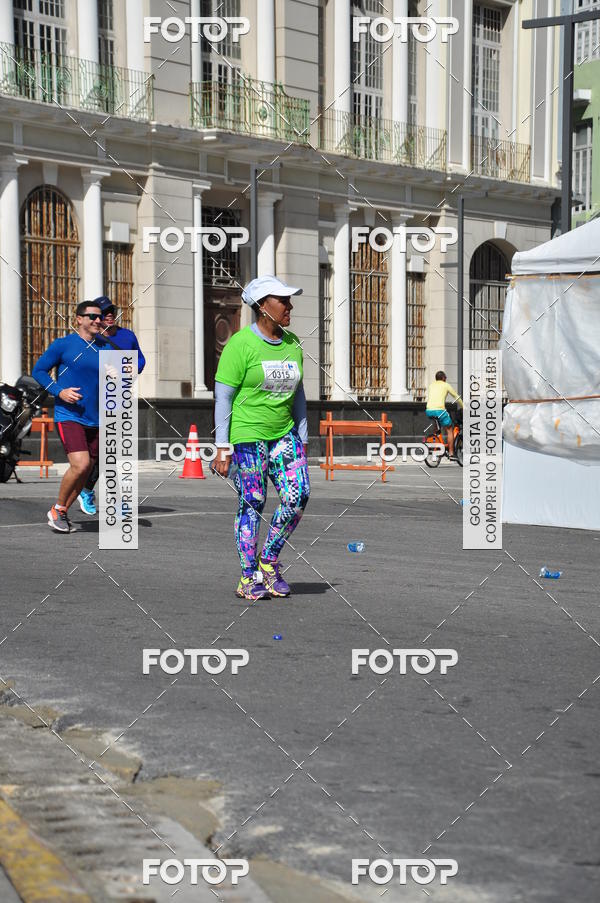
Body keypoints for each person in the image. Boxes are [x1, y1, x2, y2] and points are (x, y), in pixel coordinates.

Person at [212, 275, 310, 602]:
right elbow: (223, 398)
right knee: (253, 500)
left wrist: (302, 436)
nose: (289, 306)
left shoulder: (293, 343)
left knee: (298, 496)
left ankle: (268, 560)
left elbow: (298, 393)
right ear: (263, 307)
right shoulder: (240, 344)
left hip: (284, 432)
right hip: (247, 433)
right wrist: (223, 448)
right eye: (283, 301)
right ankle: (247, 576)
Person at [32, 300, 105, 532]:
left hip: (97, 418)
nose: (98, 320)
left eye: (100, 317)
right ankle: (58, 509)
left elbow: (130, 369)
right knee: (81, 464)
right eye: (92, 316)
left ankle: (61, 511)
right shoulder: (63, 345)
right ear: (79, 319)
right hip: (69, 415)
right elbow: (38, 371)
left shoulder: (106, 348)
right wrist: (59, 391)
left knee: (87, 469)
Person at [77, 296, 145, 516]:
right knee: (99, 453)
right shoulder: (92, 340)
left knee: (114, 453)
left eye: (111, 312)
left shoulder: (127, 336)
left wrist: (131, 368)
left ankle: (100, 494)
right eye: (104, 313)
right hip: (95, 402)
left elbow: (140, 360)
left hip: (119, 400)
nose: (108, 316)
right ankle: (87, 490)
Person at [425, 370, 463, 460]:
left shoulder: (431, 385)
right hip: (439, 410)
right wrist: (464, 407)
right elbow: (456, 396)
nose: (446, 379)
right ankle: (451, 454)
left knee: (437, 427)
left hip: (429, 410)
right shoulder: (446, 385)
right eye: (445, 378)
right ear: (443, 378)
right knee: (449, 429)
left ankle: (437, 444)